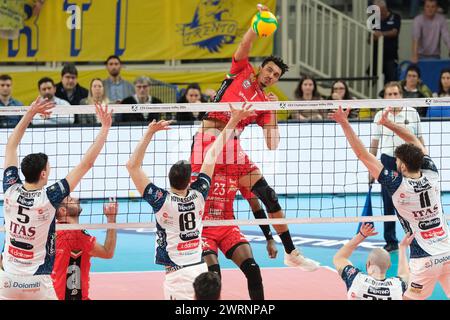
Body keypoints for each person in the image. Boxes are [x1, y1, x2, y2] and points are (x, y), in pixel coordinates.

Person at [191, 4, 319, 280]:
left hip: (233, 147)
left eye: (276, 75)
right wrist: (256, 23)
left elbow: (273, 144)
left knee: (268, 195)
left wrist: (273, 111)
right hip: (209, 140)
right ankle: (192, 247)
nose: (271, 76)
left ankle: (291, 252)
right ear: (261, 68)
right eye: (269, 70)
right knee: (199, 199)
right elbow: (244, 45)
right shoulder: (241, 71)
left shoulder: (265, 103)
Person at [126, 103, 254, 300]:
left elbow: (132, 166)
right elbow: (212, 155)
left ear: (169, 179)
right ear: (189, 181)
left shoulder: (161, 200)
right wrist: (234, 120)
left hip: (177, 276)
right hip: (199, 268)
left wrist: (149, 133)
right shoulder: (199, 194)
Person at [330, 104, 450, 300]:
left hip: (425, 259)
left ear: (402, 165)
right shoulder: (431, 172)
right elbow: (412, 139)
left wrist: (344, 123)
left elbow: (363, 155)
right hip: (448, 251)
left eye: (396, 161)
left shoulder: (397, 184)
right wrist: (388, 123)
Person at [0, 101, 112, 300]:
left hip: (7, 279)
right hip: (37, 282)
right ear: (43, 174)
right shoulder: (49, 197)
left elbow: (11, 145)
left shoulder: (10, 188)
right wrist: (104, 129)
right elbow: (86, 164)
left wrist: (30, 112)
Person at [369, 82, 425, 252]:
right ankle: (391, 240)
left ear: (401, 95)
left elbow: (420, 140)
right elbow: (374, 144)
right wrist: (370, 168)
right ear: (385, 97)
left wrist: (424, 161)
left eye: (396, 93)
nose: (393, 97)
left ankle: (418, 238)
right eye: (389, 94)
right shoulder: (379, 115)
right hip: (387, 160)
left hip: (410, 160)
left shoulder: (412, 113)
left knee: (413, 199)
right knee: (388, 201)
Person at [52, 197, 118, 300]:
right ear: (63, 210)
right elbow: (108, 252)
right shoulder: (77, 236)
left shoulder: (52, 232)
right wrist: (111, 219)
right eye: (70, 200)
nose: (76, 199)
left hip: (53, 294)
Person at [333, 224, 410, 300]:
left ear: (368, 264)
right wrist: (403, 248)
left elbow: (339, 258)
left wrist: (361, 235)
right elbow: (405, 276)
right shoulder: (397, 286)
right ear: (389, 266)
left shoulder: (356, 279)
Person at [371, 0, 401, 84]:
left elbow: (394, 32)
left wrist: (381, 34)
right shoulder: (374, 19)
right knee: (376, 81)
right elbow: (369, 38)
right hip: (377, 57)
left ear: (384, 8)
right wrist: (373, 37)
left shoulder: (395, 16)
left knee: (391, 81)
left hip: (391, 57)